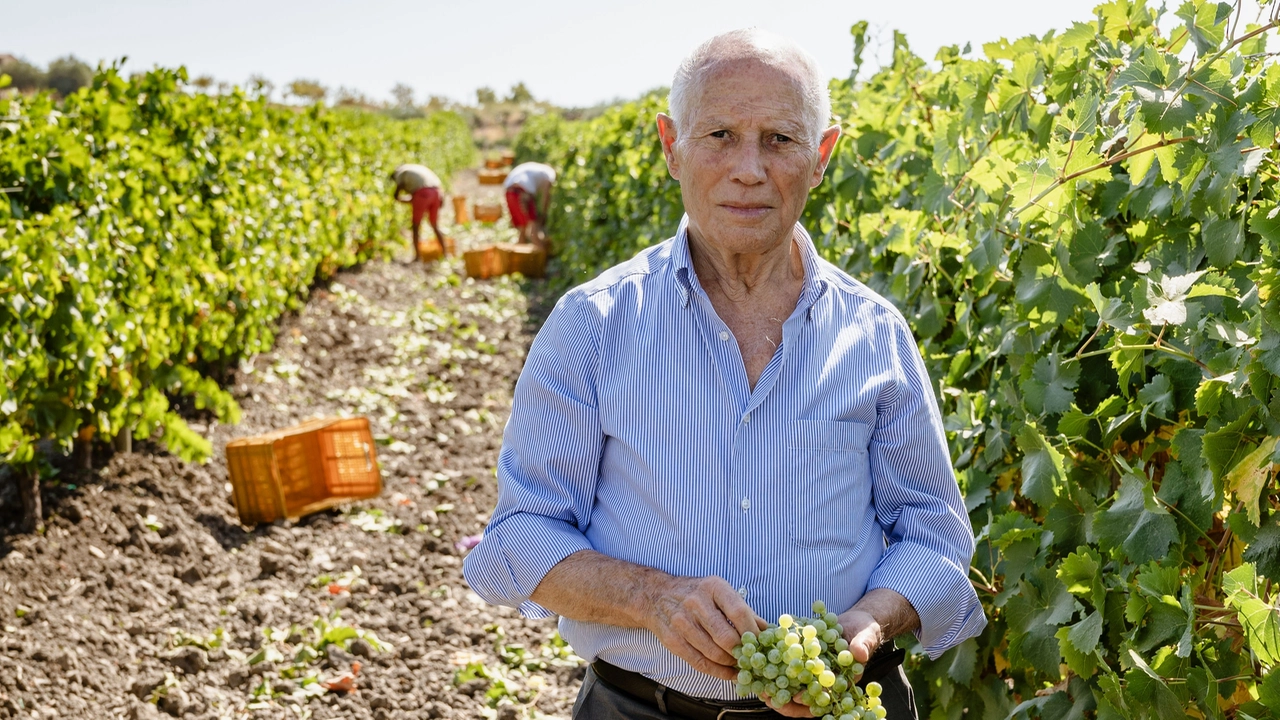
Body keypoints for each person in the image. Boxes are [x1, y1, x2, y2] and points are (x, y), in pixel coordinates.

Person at [463, 29, 985, 720]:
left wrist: (870, 621)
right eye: (718, 135)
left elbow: (934, 536)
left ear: (822, 156)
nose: (748, 168)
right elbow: (520, 535)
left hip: (843, 704)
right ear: (670, 146)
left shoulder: (874, 332)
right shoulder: (593, 323)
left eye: (779, 139)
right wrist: (653, 599)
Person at [391, 163, 445, 260]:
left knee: (415, 226)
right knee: (435, 225)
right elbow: (415, 198)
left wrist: (396, 197)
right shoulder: (416, 169)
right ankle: (445, 253)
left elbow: (399, 194)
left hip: (423, 194)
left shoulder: (400, 174)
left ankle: (417, 256)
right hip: (437, 192)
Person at [503, 161, 556, 248]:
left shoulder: (537, 169)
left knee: (522, 228)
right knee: (533, 227)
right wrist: (543, 214)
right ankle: (540, 256)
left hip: (509, 192)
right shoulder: (550, 173)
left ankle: (520, 256)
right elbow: (546, 195)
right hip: (521, 192)